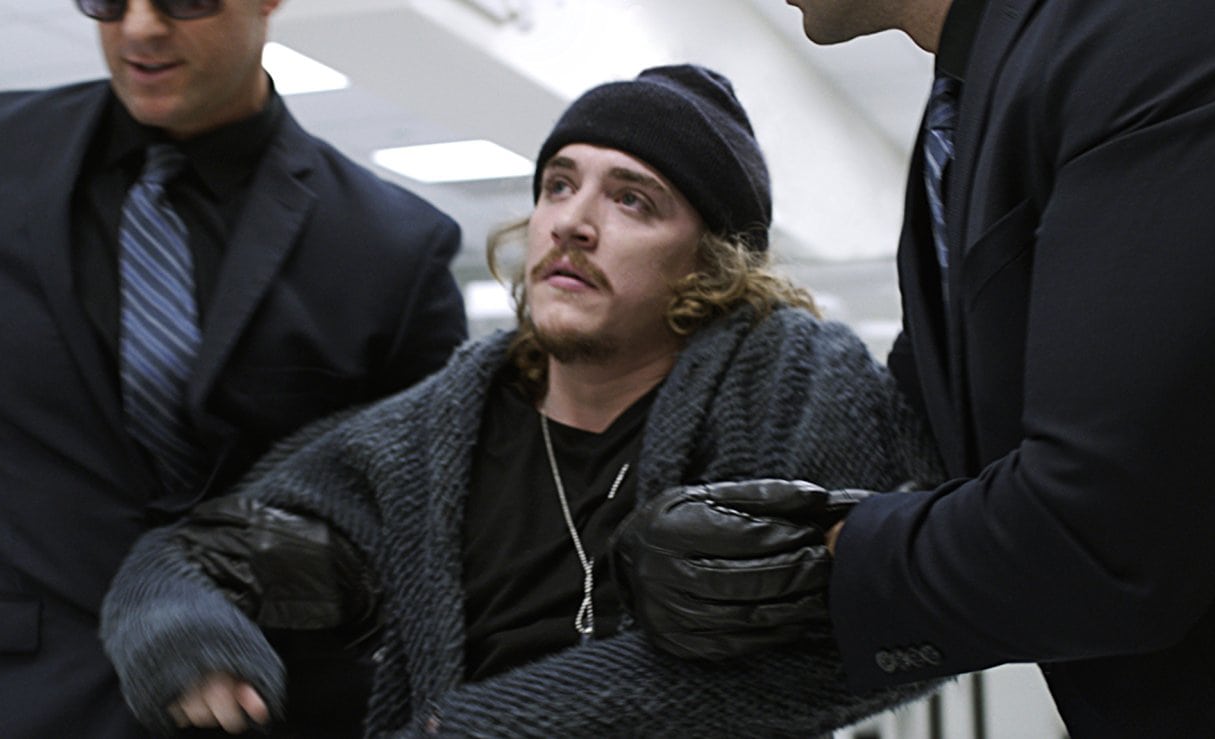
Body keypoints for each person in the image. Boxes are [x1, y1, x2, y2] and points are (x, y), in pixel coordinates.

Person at [99, 64, 945, 737]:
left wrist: (482, 725)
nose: (571, 222)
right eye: (558, 184)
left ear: (711, 261)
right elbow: (194, 555)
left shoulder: (791, 384)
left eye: (631, 200)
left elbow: (870, 625)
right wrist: (187, 635)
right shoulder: (432, 431)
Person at [612, 1, 1215, 737]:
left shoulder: (1159, 29)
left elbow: (1111, 533)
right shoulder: (961, 106)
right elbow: (928, 427)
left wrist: (806, 568)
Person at [0, 0, 467, 735]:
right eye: (109, 0)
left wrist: (219, 589)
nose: (139, 28)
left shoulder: (390, 244)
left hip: (265, 701)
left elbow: (412, 524)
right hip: (19, 698)